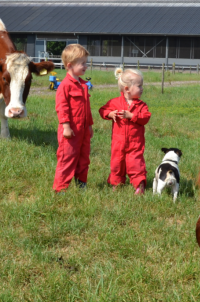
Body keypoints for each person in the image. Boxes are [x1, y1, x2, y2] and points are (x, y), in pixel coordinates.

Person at [99, 68, 151, 195]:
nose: (142, 88)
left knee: (136, 164)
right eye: (139, 86)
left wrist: (132, 116)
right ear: (127, 89)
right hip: (118, 142)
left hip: (135, 143)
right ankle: (116, 184)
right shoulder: (115, 102)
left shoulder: (141, 105)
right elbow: (102, 110)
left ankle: (139, 185)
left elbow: (146, 117)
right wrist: (110, 114)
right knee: (117, 164)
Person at [53, 44, 93, 193]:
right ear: (69, 65)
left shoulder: (83, 85)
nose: (86, 66)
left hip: (83, 130)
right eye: (82, 63)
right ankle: (61, 188)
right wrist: (66, 126)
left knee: (84, 158)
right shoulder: (65, 86)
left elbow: (86, 109)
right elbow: (62, 107)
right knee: (67, 158)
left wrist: (89, 125)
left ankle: (81, 184)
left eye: (86, 62)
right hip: (70, 130)